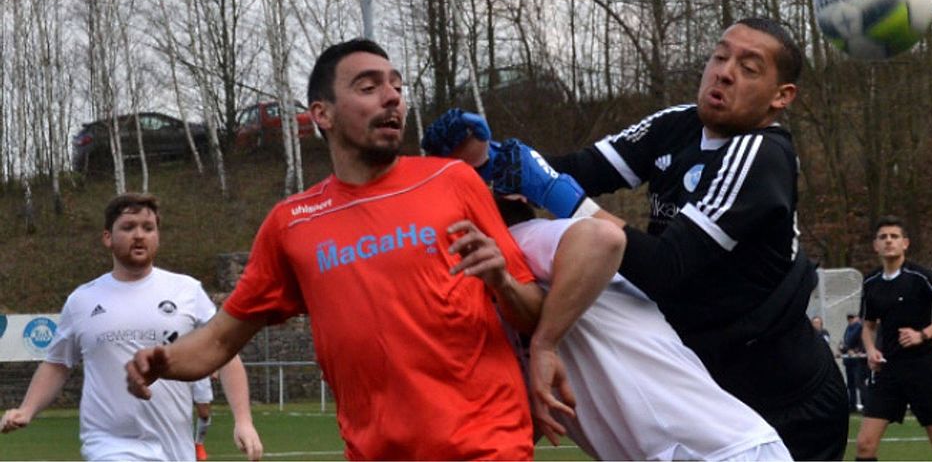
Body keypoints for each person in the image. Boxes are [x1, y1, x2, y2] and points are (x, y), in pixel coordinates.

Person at [423, 17, 849, 460]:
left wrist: (555, 191)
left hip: (787, 400)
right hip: (706, 387)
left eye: (749, 67)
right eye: (720, 56)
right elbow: (575, 171)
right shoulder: (677, 125)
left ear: (782, 97)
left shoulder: (762, 154)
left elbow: (666, 269)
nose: (724, 72)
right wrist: (484, 161)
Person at [126, 39, 546, 460]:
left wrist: (503, 282)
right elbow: (220, 340)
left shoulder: (453, 181)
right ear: (321, 114)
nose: (392, 97)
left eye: (396, 86)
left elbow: (533, 314)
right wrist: (165, 361)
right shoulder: (292, 223)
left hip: (489, 446)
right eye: (368, 87)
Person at [493, 197, 791, 460]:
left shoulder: (517, 241)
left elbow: (603, 238)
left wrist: (544, 343)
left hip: (715, 452)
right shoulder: (511, 290)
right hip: (714, 448)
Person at [0, 193, 262, 461]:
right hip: (108, 446)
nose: (139, 235)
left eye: (148, 228)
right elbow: (57, 364)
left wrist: (243, 421)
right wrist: (27, 409)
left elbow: (225, 351)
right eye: (128, 227)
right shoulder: (83, 300)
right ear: (107, 238)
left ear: (158, 236)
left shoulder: (187, 291)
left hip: (175, 448)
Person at [856, 215, 932, 461]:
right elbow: (867, 325)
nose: (889, 241)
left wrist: (922, 335)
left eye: (894, 236)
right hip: (888, 371)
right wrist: (870, 349)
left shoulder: (920, 277)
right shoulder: (871, 282)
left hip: (922, 368)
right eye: (883, 237)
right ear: (876, 246)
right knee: (864, 444)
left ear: (905, 243)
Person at [840, 312, 867, 412]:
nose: (850, 320)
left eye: (852, 317)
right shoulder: (848, 328)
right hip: (849, 360)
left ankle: (866, 405)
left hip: (858, 361)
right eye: (849, 318)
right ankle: (852, 405)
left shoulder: (858, 327)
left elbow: (850, 340)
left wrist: (845, 347)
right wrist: (844, 348)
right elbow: (846, 342)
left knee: (859, 383)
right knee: (851, 384)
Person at [191, 376, 215, 461]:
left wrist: (215, 368)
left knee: (204, 414)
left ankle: (199, 443)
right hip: (179, 370)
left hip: (200, 373)